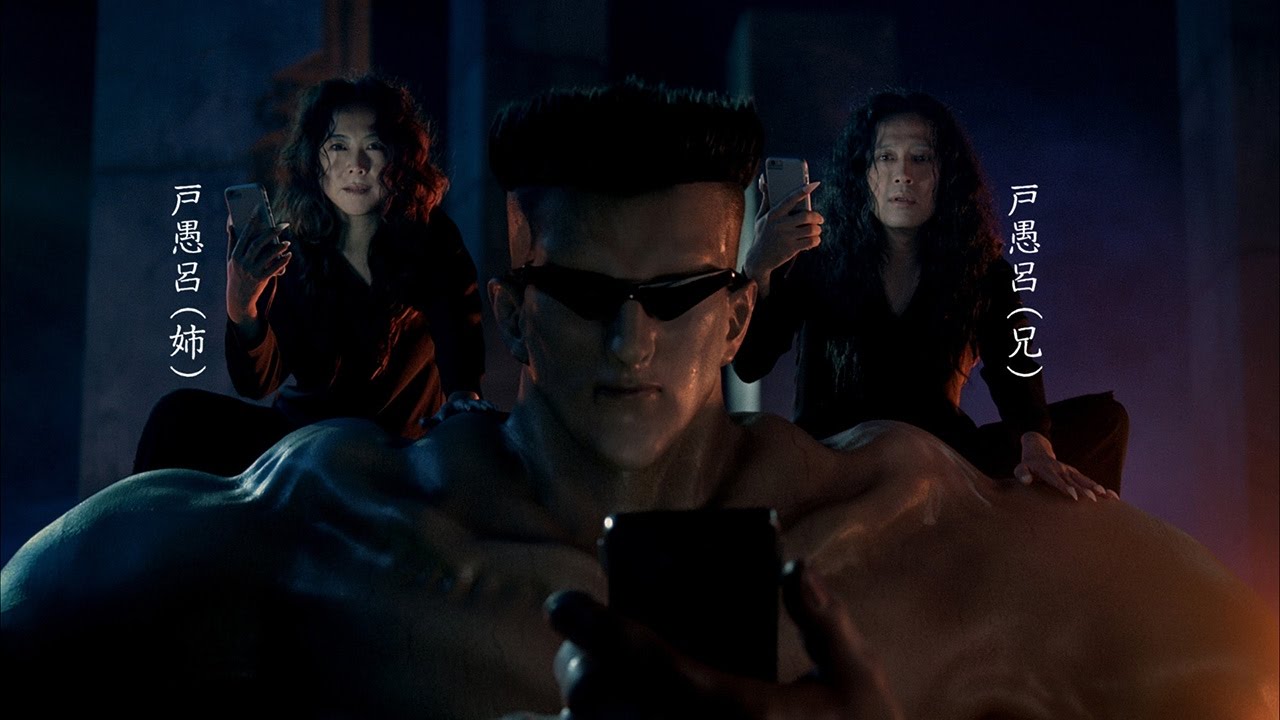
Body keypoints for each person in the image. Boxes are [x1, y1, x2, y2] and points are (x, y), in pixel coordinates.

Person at [3, 82, 1275, 718]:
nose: (628, 339)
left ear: (729, 311)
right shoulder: (324, 527)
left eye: (673, 296)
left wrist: (1031, 439)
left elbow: (1224, 668)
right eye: (580, 294)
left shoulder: (917, 521)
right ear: (518, 308)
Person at [734, 91, 1129, 496]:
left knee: (1106, 420)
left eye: (920, 158)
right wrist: (758, 269)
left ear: (947, 174)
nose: (903, 175)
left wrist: (1036, 445)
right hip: (834, 453)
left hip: (938, 450)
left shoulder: (980, 267)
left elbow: (1013, 363)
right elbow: (749, 364)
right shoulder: (819, 255)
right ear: (863, 172)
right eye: (886, 157)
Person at [132, 75, 486, 476]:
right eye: (338, 146)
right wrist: (243, 303)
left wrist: (463, 395)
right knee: (176, 417)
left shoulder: (430, 235)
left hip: (394, 447)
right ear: (315, 160)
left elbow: (459, 329)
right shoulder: (296, 249)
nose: (357, 165)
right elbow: (258, 383)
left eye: (373, 146)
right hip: (304, 440)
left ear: (398, 156)